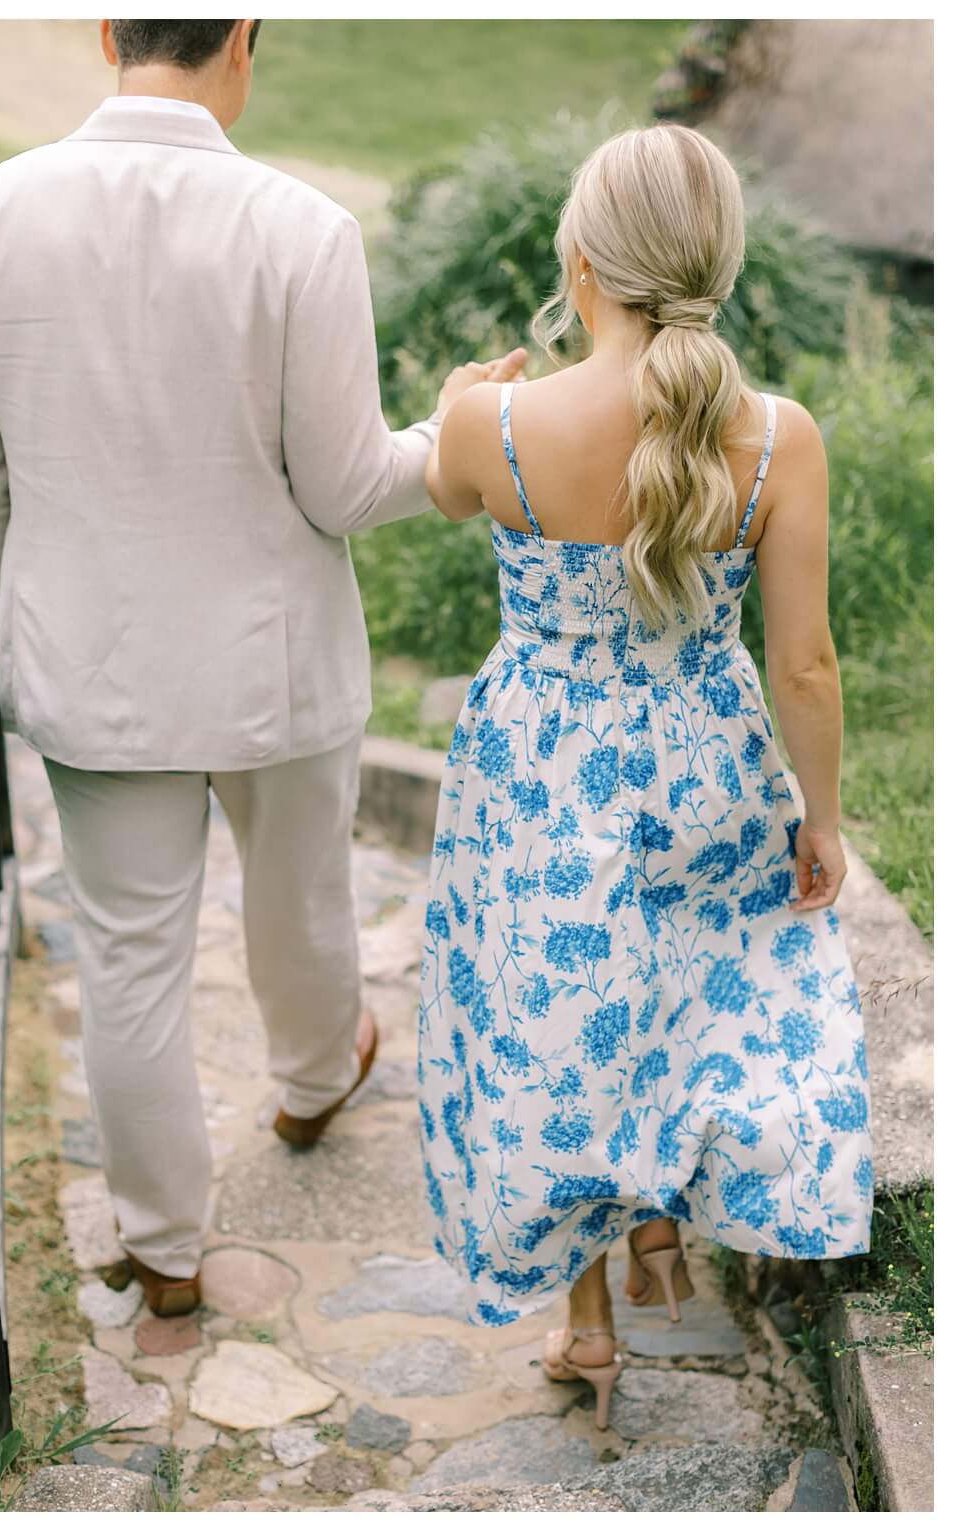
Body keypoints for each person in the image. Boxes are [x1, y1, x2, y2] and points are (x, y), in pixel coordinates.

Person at [0, 17, 523, 1315]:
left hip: (95, 667)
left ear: (105, 32)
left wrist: (30, 604)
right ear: (242, 38)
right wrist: (459, 428)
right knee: (300, 895)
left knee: (130, 964)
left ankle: (164, 1246)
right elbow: (347, 480)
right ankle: (316, 1084)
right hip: (275, 656)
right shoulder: (300, 227)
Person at [414, 123, 872, 1427]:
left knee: (563, 1026)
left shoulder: (492, 422)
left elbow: (445, 488)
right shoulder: (780, 440)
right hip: (709, 766)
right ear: (722, 264)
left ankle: (592, 1314)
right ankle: (658, 1222)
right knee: (688, 1002)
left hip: (540, 772)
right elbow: (809, 664)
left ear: (578, 259)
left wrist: (462, 394)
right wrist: (821, 816)